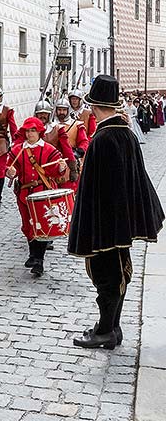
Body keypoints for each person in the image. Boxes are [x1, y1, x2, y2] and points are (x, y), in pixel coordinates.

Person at [69, 75, 164, 349]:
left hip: (106, 223)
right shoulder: (125, 134)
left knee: (105, 275)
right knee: (120, 271)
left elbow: (99, 190)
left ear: (94, 105)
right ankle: (110, 326)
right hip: (119, 223)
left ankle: (106, 330)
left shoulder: (104, 138)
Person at [6, 117, 68, 278]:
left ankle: (38, 260)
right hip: (25, 193)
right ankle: (33, 254)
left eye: (33, 130)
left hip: (43, 191)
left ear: (40, 132)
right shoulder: (17, 150)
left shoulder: (49, 150)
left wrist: (60, 167)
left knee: (40, 225)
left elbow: (56, 171)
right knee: (28, 225)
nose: (30, 134)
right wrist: (10, 172)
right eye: (27, 131)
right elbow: (11, 168)